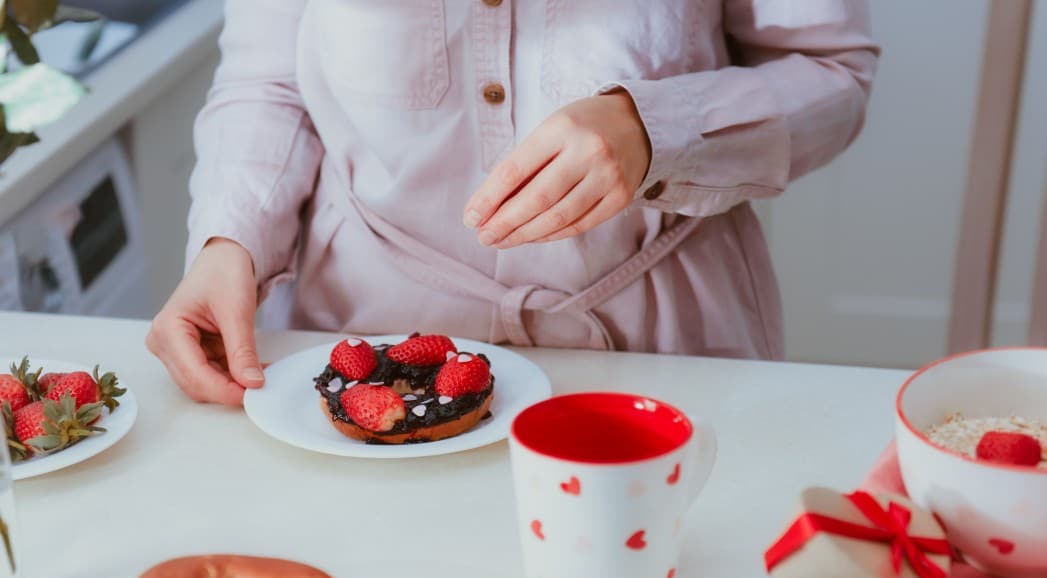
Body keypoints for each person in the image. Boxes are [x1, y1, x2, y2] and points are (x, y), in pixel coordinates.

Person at [147, 0, 878, 405]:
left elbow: (831, 75)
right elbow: (268, 83)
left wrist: (655, 129)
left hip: (668, 348)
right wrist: (229, 240)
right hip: (360, 335)